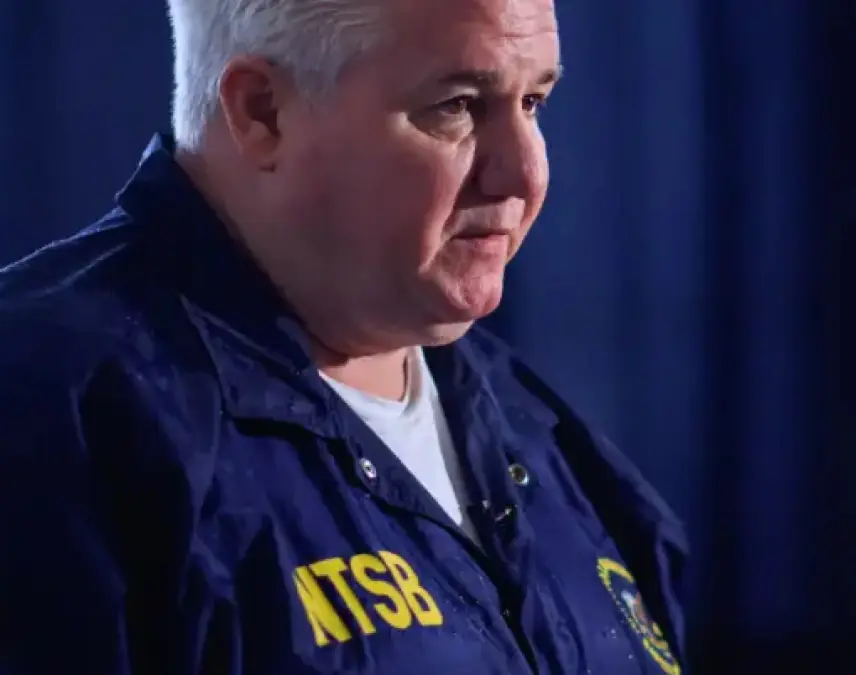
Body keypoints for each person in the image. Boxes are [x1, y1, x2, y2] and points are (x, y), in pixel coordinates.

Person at [0, 0, 688, 672]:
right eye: (457, 105)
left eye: (533, 102)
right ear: (263, 112)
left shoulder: (551, 442)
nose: (525, 174)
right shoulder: (52, 408)